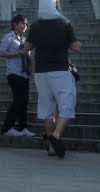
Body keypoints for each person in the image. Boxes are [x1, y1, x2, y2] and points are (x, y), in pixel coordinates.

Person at [24, 10, 81, 158]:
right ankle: (55, 135)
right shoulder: (65, 24)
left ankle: (51, 148)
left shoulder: (35, 25)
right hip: (60, 69)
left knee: (47, 109)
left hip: (41, 71)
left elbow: (26, 47)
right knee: (67, 104)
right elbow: (76, 47)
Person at [0, 15, 35, 137]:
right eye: (23, 23)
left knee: (24, 101)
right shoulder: (8, 37)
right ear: (15, 23)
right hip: (14, 73)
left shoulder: (25, 40)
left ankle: (23, 127)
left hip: (24, 74)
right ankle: (7, 127)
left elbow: (28, 56)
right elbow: (2, 53)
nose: (25, 26)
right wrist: (17, 54)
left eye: (26, 24)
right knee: (18, 100)